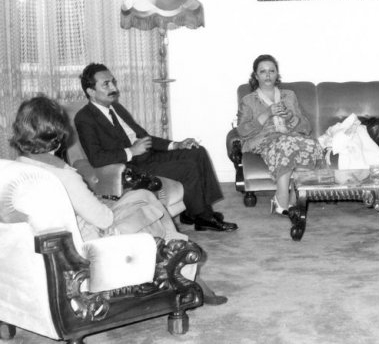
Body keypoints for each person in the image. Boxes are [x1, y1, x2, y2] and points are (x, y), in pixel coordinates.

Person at [11, 95, 228, 305]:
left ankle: (181, 256)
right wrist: (106, 204)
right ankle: (184, 265)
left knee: (143, 195)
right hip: (93, 242)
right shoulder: (65, 176)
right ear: (58, 134)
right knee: (149, 210)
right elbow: (104, 220)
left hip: (58, 239)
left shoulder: (17, 168)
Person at [74, 63, 237, 232]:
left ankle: (193, 212)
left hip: (148, 155)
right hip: (133, 167)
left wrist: (176, 144)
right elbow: (96, 158)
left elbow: (145, 138)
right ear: (91, 91)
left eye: (113, 82)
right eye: (106, 84)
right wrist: (131, 151)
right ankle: (203, 217)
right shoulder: (84, 118)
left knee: (197, 151)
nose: (114, 88)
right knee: (188, 167)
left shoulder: (116, 108)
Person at [236, 54, 323, 215]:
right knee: (286, 144)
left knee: (311, 144)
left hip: (291, 136)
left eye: (272, 71)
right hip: (264, 139)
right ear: (256, 76)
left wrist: (291, 117)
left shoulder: (289, 95)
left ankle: (294, 199)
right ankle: (281, 198)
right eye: (263, 71)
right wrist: (267, 114)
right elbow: (242, 131)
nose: (268, 75)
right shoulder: (248, 101)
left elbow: (306, 127)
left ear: (277, 74)